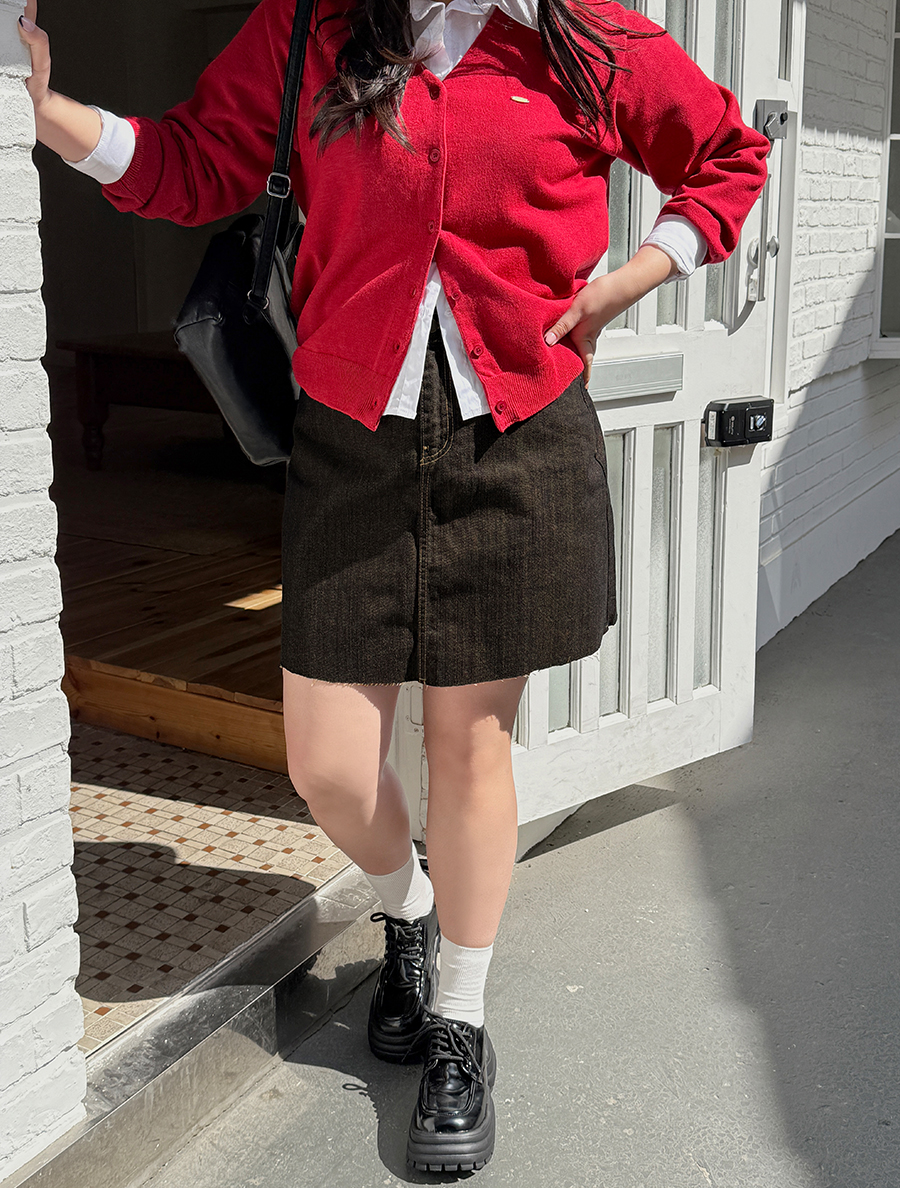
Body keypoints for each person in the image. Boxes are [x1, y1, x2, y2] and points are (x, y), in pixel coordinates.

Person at [18, 0, 768, 1172]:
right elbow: (186, 164)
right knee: (326, 763)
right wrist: (48, 112)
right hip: (350, 437)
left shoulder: (587, 37)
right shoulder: (307, 27)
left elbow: (727, 155)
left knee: (471, 747)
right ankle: (407, 907)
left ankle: (459, 1020)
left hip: (516, 431)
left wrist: (637, 274)